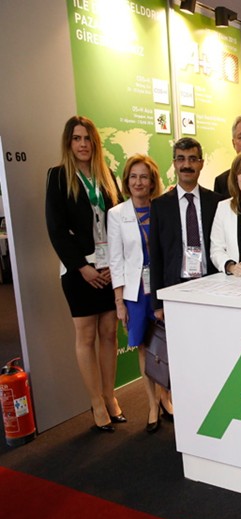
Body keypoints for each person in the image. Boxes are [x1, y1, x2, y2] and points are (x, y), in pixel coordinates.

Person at [45, 115, 124, 432]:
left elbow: (119, 221)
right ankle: (96, 403)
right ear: (69, 142)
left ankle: (110, 396)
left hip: (109, 268)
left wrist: (113, 264)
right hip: (79, 270)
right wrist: (83, 267)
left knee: (109, 333)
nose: (82, 144)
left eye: (87, 138)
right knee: (87, 336)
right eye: (76, 138)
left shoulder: (107, 176)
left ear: (95, 142)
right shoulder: (58, 177)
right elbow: (56, 230)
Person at [108, 155, 165, 433]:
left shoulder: (161, 209)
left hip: (161, 287)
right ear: (126, 181)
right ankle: (152, 404)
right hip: (135, 293)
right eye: (133, 176)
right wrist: (119, 302)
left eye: (144, 176)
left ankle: (166, 398)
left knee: (164, 345)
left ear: (152, 181)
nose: (138, 182)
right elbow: (116, 260)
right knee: (143, 347)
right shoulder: (116, 214)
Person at [149, 137, 223, 319]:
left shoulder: (217, 202)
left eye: (192, 159)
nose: (187, 165)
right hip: (175, 287)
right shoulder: (160, 206)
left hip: (212, 284)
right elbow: (156, 256)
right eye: (181, 159)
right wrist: (157, 303)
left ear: (201, 163)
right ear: (174, 163)